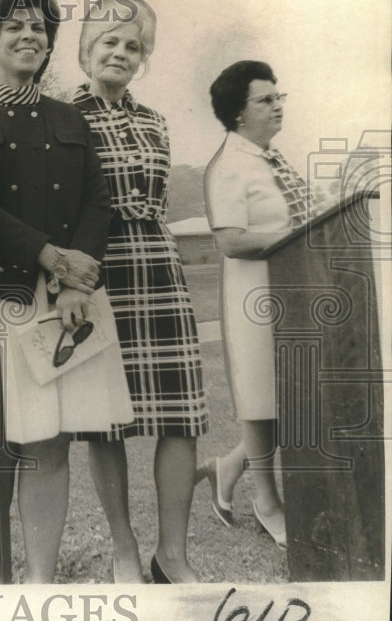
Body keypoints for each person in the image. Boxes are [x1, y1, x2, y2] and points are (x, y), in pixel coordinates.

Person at [0, 0, 133, 583]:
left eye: (39, 27)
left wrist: (76, 283)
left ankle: (40, 591)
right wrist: (50, 256)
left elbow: (99, 203)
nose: (29, 36)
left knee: (49, 445)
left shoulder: (69, 118)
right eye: (14, 25)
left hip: (62, 305)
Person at [71, 0, 208, 584]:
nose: (121, 53)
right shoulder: (62, 118)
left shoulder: (155, 120)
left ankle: (170, 555)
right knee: (107, 420)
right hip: (100, 269)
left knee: (182, 416)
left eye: (133, 46)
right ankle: (125, 552)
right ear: (85, 51)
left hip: (158, 264)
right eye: (109, 42)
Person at [198, 60, 311, 551]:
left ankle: (228, 467)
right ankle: (267, 503)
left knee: (294, 406)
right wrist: (293, 234)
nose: (278, 105)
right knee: (265, 403)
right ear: (239, 114)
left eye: (278, 96)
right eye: (266, 100)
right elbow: (230, 240)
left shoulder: (272, 158)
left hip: (293, 293)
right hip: (254, 297)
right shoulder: (231, 166)